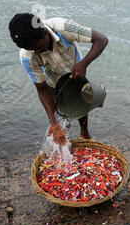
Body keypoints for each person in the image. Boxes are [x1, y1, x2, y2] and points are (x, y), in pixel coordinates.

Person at [8, 13, 109, 145]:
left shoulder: (63, 28)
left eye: (38, 48)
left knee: (81, 103)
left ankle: (84, 134)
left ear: (45, 33)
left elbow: (101, 40)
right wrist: (53, 122)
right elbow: (42, 90)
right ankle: (62, 142)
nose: (37, 52)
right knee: (59, 116)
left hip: (75, 71)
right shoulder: (27, 56)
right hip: (52, 79)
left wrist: (83, 63)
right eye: (33, 50)